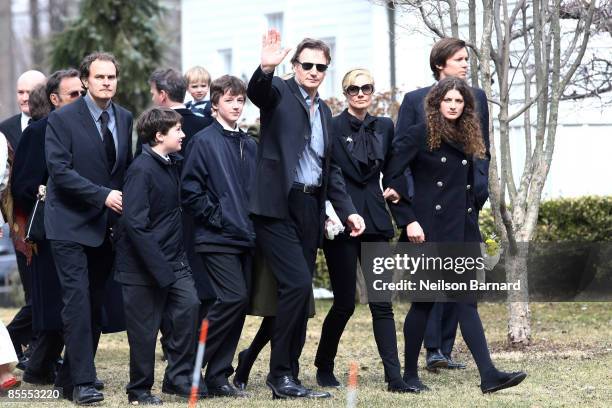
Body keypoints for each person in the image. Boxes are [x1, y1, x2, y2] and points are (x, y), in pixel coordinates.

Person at [384, 76, 527, 393]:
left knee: (467, 303)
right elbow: (392, 179)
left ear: (466, 106)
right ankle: (408, 376)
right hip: (426, 231)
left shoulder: (468, 135)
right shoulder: (419, 133)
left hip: (461, 230)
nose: (452, 105)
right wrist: (408, 221)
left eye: (458, 101)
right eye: (447, 100)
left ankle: (488, 375)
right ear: (436, 103)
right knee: (422, 304)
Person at [247, 29, 365, 399]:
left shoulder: (324, 110)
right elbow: (258, 94)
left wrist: (348, 212)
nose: (314, 71)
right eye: (307, 65)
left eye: (321, 67)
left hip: (309, 208)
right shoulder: (279, 91)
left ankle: (288, 374)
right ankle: (280, 374)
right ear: (295, 66)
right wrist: (266, 69)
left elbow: (329, 169)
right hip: (276, 206)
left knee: (298, 296)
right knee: (297, 286)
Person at [311, 68, 419, 393]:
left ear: (373, 92)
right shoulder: (331, 126)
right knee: (345, 303)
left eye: (366, 88)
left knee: (381, 303)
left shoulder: (385, 126)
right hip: (344, 221)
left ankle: (394, 378)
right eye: (354, 89)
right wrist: (336, 214)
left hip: (376, 220)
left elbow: (396, 167)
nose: (361, 94)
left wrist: (398, 188)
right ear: (345, 93)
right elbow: (325, 172)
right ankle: (323, 364)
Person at [395, 37, 491, 370]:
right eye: (460, 59)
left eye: (467, 59)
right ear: (440, 64)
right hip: (426, 210)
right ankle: (425, 354)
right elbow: (400, 160)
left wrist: (479, 191)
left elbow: (482, 151)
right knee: (426, 293)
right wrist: (408, 209)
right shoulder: (415, 101)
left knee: (463, 293)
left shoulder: (475, 100)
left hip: (462, 206)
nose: (466, 64)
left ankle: (449, 353)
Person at [45, 52, 133, 404]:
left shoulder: (124, 118)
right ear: (85, 80)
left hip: (106, 227)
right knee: (78, 301)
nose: (107, 83)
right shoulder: (63, 120)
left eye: (112, 77)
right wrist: (103, 196)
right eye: (100, 77)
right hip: (68, 223)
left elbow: (122, 169)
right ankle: (83, 382)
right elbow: (60, 172)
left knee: (95, 304)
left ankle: (69, 377)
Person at [116, 107, 202, 404]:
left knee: (189, 307)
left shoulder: (170, 163)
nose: (183, 134)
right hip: (141, 269)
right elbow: (135, 225)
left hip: (174, 262)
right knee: (144, 333)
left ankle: (177, 379)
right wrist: (161, 270)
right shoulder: (141, 169)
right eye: (177, 130)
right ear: (159, 135)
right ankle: (139, 390)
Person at [181, 75, 256, 398]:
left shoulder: (249, 143)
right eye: (229, 100)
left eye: (240, 100)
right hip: (216, 236)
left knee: (238, 307)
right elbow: (191, 190)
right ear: (214, 105)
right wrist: (220, 219)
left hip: (247, 237)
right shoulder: (203, 141)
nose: (236, 105)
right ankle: (185, 364)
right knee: (232, 298)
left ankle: (218, 376)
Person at [11, 69, 83, 387]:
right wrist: (47, 191)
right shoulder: (37, 132)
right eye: (74, 95)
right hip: (49, 230)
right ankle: (42, 366)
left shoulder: (87, 130)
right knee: (53, 304)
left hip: (80, 227)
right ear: (54, 100)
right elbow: (23, 185)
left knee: (74, 303)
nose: (82, 100)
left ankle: (45, 366)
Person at [147, 68, 216, 319]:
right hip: (202, 210)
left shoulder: (153, 128)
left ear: (163, 95)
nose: (153, 98)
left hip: (166, 212)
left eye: (154, 93)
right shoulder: (208, 123)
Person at [1, 69, 46, 370]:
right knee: (32, 289)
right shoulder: (5, 129)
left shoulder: (51, 125)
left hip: (47, 220)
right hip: (18, 223)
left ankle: (33, 348)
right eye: (20, 92)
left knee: (43, 291)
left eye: (31, 92)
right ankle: (20, 346)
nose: (25, 98)